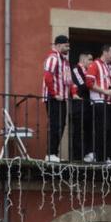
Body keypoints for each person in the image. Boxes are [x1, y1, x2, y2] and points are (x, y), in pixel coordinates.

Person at [41, 33, 74, 162]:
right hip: (54, 97)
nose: (68, 49)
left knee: (61, 124)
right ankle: (50, 153)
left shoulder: (65, 61)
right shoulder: (53, 58)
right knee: (55, 125)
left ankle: (53, 152)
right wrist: (54, 94)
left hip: (62, 98)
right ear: (58, 45)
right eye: (66, 46)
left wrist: (74, 93)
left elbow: (69, 80)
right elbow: (48, 77)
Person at [85, 43, 111, 163]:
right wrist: (105, 91)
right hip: (99, 102)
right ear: (105, 52)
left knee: (110, 131)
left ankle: (106, 157)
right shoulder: (95, 64)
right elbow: (89, 83)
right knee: (101, 130)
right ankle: (99, 157)